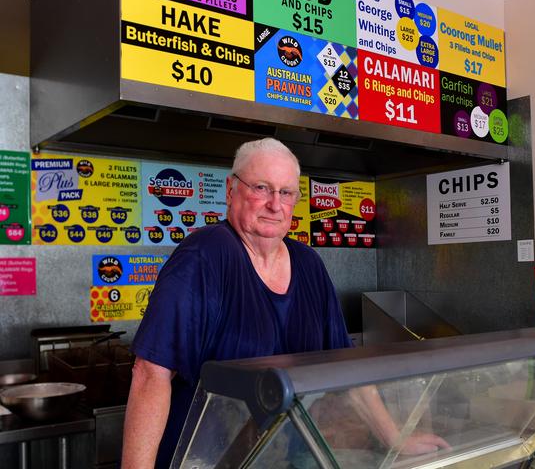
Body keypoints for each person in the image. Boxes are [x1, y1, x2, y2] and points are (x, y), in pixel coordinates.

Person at [122, 138, 448, 468]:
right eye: (261, 188)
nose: (275, 204)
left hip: (281, 458)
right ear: (231, 190)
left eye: (286, 192)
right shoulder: (203, 258)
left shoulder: (309, 265)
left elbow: (345, 366)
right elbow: (150, 373)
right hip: (203, 460)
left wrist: (395, 438)